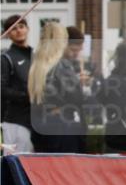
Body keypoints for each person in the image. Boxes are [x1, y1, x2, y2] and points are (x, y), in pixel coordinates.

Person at [28, 22, 87, 153]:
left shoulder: (36, 65)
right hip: (62, 126)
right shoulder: (62, 65)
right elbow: (76, 97)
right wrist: (80, 85)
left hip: (40, 124)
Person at [1, 14, 34, 154]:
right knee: (17, 165)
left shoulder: (36, 55)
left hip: (38, 122)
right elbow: (2, 89)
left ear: (27, 29)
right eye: (14, 29)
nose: (19, 31)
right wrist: (27, 96)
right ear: (8, 34)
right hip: (15, 122)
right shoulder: (6, 58)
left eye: (21, 26)